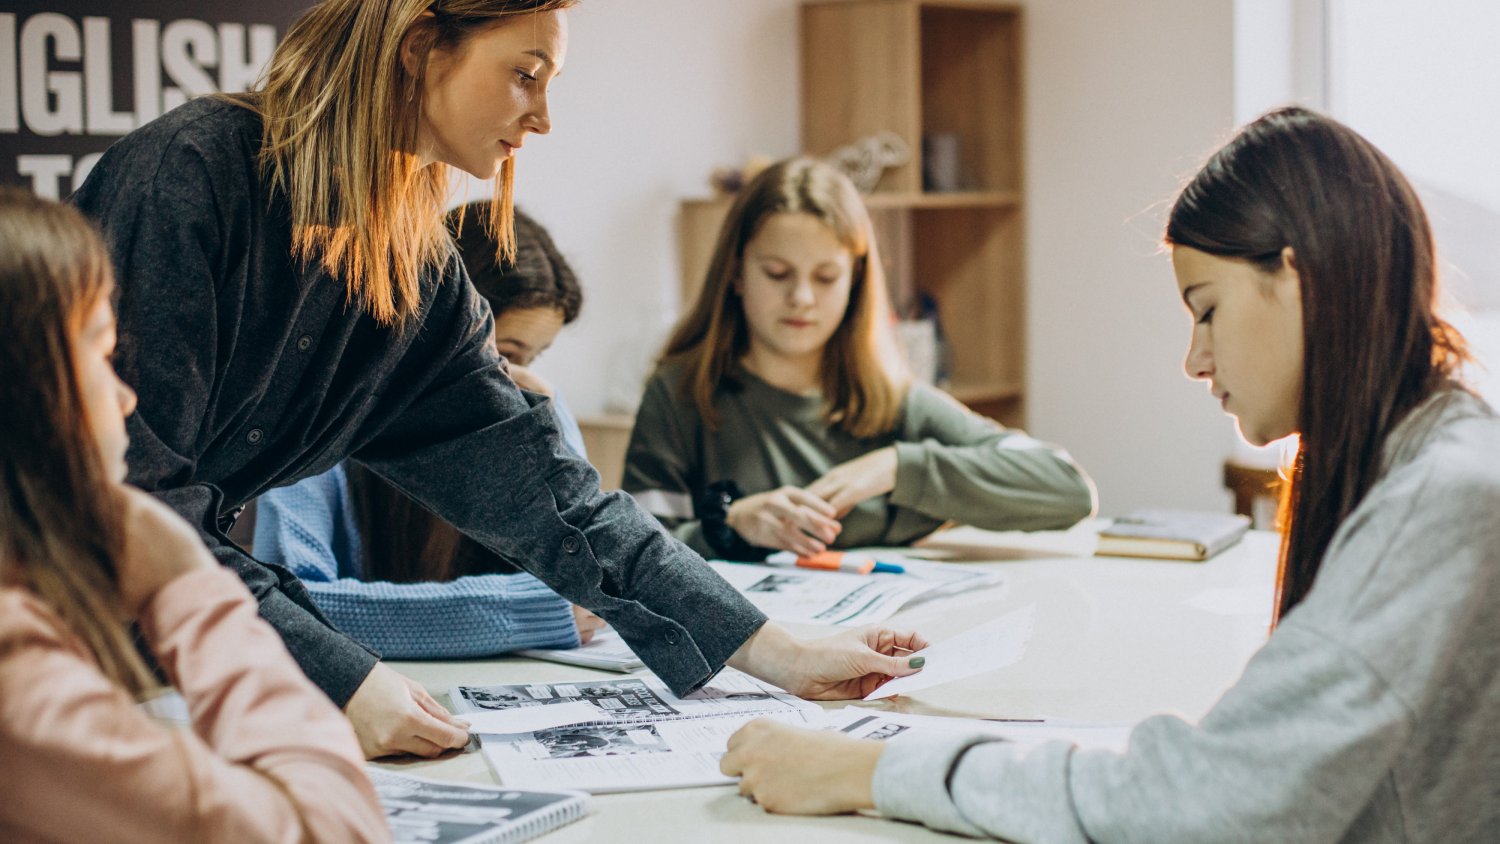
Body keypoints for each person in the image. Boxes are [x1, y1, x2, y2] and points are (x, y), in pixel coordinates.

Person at [70, 0, 923, 761]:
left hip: (172, 659)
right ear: (418, 46)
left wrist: (776, 650)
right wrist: (335, 677)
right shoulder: (187, 177)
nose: (543, 118)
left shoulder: (417, 271)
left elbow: (557, 502)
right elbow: (129, 502)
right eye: (525, 75)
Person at [720, 107, 1500, 842]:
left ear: (1295, 279)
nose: (1194, 359)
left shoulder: (1438, 500)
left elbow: (1209, 805)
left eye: (1206, 309)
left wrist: (871, 770)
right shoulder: (1424, 457)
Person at [0, 189, 388, 843]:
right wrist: (187, 583)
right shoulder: (17, 672)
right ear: (27, 392)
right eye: (100, 354)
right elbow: (336, 831)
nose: (125, 397)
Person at [624, 157, 1094, 559]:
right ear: (736, 274)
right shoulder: (680, 395)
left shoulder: (894, 402)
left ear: (855, 283)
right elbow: (631, 555)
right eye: (777, 273)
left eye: (826, 277)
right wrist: (731, 527)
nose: (802, 298)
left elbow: (1068, 489)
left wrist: (896, 467)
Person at [253, 205, 606, 659]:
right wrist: (532, 614)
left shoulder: (540, 408)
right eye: (506, 354)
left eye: (532, 359)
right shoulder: (315, 421)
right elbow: (290, 611)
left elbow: (589, 587)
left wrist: (547, 442)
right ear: (434, 329)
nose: (517, 380)